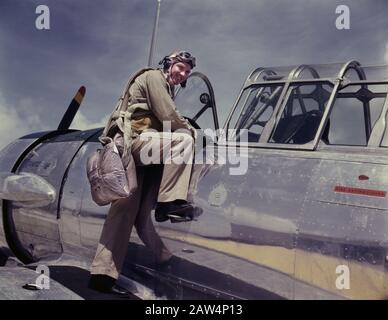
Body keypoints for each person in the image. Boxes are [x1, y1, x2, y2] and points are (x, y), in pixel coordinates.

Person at [88, 51, 201, 296]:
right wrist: (192, 131)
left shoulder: (167, 86)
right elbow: (168, 115)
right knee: (183, 140)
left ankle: (102, 275)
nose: (183, 74)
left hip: (144, 153)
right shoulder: (153, 77)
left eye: (187, 72)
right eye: (181, 68)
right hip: (135, 143)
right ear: (169, 63)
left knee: (128, 211)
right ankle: (169, 202)